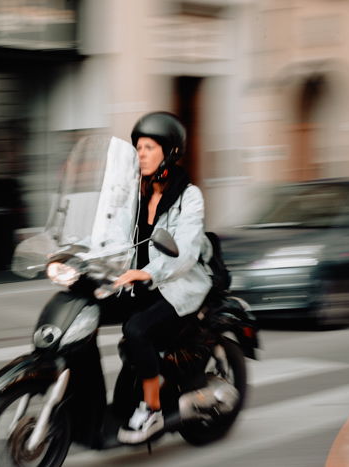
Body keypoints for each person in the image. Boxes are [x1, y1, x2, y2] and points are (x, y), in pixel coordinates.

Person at [109, 111, 213, 444]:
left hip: (178, 286)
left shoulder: (189, 197)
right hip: (142, 282)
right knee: (89, 310)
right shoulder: (137, 195)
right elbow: (112, 232)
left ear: (169, 153)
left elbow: (184, 253)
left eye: (149, 147)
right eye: (138, 147)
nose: (140, 153)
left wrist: (147, 271)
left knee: (137, 331)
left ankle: (152, 409)